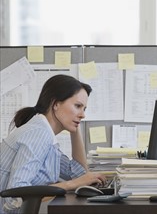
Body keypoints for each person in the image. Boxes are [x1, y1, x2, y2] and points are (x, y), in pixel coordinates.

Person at [0, 74, 106, 213]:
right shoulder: (38, 134)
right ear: (56, 104)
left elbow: (78, 173)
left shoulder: (46, 135)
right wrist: (72, 184)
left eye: (84, 109)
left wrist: (75, 125)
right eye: (77, 106)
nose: (83, 114)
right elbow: (16, 193)